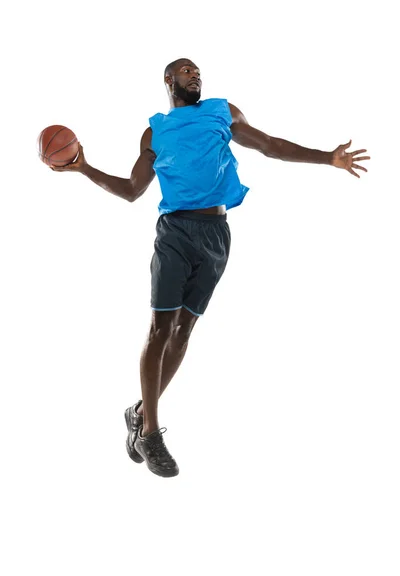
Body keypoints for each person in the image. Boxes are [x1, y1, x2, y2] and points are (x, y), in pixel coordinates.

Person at [50, 57, 370, 478]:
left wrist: (327, 157)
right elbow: (131, 190)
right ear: (169, 80)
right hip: (175, 234)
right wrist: (83, 167)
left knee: (184, 331)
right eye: (186, 71)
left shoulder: (222, 111)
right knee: (159, 329)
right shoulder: (156, 132)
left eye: (198, 71)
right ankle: (149, 433)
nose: (195, 75)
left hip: (217, 234)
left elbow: (269, 145)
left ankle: (140, 412)